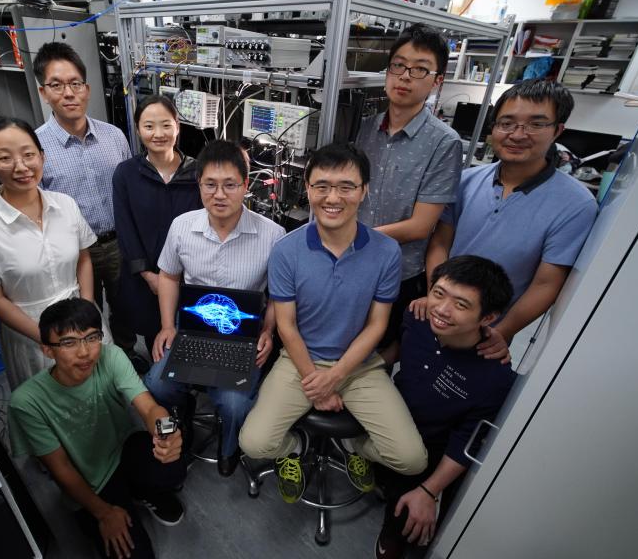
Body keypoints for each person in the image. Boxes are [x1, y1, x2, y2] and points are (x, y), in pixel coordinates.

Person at [239, 143, 427, 504]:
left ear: (364, 190)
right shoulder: (286, 250)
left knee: (411, 460)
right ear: (307, 189)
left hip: (359, 366)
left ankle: (355, 446)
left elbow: (377, 326)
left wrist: (336, 376)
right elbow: (287, 327)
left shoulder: (385, 251)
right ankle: (294, 449)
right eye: (322, 186)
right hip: (298, 362)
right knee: (255, 443)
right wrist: (317, 382)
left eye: (346, 187)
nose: (333, 197)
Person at [414, 79, 598, 361]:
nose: (518, 134)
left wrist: (504, 330)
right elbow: (440, 243)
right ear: (493, 128)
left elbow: (546, 284)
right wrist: (437, 299)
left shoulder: (576, 204)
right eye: (507, 123)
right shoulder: (465, 181)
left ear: (558, 130)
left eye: (536, 124)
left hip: (486, 332)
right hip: (436, 316)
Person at [144, 139, 285, 477]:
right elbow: (168, 276)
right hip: (193, 326)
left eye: (230, 185)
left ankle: (229, 443)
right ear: (199, 185)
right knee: (158, 384)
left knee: (234, 403)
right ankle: (183, 413)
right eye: (210, 184)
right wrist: (167, 325)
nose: (219, 194)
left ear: (245, 186)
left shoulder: (273, 235)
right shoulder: (182, 226)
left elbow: (280, 295)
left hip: (242, 335)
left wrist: (268, 331)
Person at [9, 298, 185, 559]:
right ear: (47, 350)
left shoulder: (111, 355)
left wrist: (168, 431)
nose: (85, 352)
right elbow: (61, 469)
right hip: (90, 482)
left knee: (174, 464)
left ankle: (141, 491)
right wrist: (104, 513)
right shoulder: (26, 402)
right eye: (69, 342)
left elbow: (149, 408)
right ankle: (114, 505)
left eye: (92, 338)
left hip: (123, 448)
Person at [374, 256, 515, 559]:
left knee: (408, 531)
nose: (442, 310)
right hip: (392, 416)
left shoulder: (495, 375)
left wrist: (429, 491)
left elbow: (468, 441)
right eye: (438, 294)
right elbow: (401, 346)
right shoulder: (417, 316)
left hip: (431, 453)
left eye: (461, 305)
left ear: (488, 318)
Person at [0, 117, 96, 389]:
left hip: (83, 323)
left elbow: (84, 257)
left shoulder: (65, 205)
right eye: (5, 158)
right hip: (32, 336)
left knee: (101, 394)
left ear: (42, 156)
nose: (21, 167)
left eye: (28, 154)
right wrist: (50, 339)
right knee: (53, 410)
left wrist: (88, 311)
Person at [355, 23, 464, 358]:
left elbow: (420, 226)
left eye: (419, 70)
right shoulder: (366, 127)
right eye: (398, 66)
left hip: (394, 274)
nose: (404, 77)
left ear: (438, 80)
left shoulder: (444, 143)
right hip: (349, 265)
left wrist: (352, 238)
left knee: (372, 359)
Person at [33, 41, 137, 360]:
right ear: (43, 92)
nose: (68, 93)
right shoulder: (35, 147)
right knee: (82, 313)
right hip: (73, 251)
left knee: (124, 307)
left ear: (87, 88)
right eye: (57, 85)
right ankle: (95, 362)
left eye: (75, 83)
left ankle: (126, 355)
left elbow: (130, 190)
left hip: (118, 243)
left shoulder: (114, 136)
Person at [112, 95, 202, 356]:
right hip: (146, 276)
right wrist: (149, 275)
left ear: (178, 127)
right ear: (138, 130)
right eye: (149, 126)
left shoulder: (197, 173)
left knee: (195, 333)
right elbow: (125, 229)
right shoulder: (126, 174)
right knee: (158, 341)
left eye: (166, 125)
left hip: (192, 275)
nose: (158, 133)